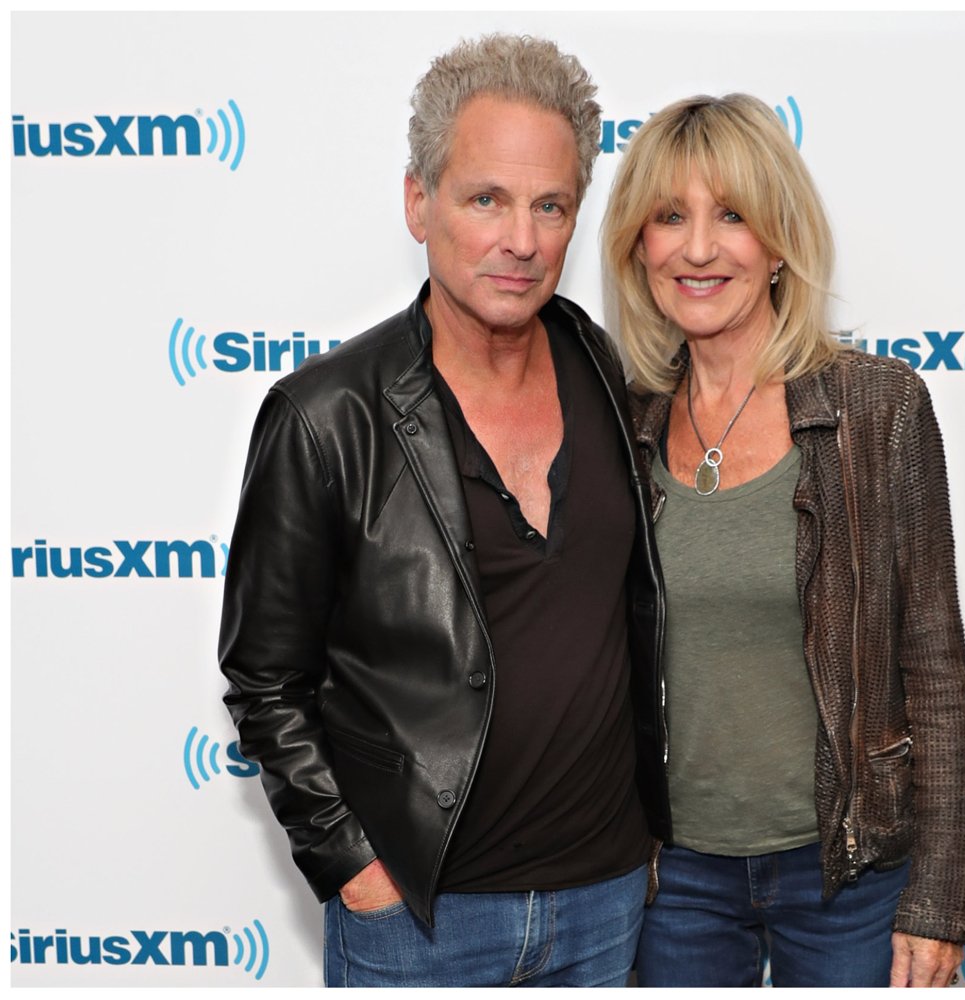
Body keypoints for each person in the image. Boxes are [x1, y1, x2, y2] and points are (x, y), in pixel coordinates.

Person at [219, 34, 668, 988]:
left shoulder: (605, 370)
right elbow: (265, 681)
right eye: (486, 199)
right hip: (422, 923)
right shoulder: (326, 415)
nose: (521, 239)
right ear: (420, 202)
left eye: (550, 206)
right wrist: (355, 868)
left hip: (608, 903)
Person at [601, 93, 965, 989]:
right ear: (637, 247)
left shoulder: (878, 409)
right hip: (670, 878)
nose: (698, 248)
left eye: (731, 215)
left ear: (777, 244)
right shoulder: (618, 419)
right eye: (669, 217)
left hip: (848, 874)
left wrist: (941, 900)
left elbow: (934, 663)